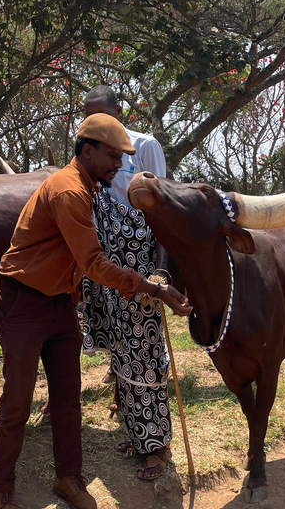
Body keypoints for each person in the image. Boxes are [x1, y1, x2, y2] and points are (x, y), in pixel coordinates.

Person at [0, 113, 191, 509]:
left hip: (58, 304)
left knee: (68, 398)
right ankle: (3, 492)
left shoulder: (90, 190)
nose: (119, 166)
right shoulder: (69, 192)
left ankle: (68, 479)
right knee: (16, 401)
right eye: (113, 157)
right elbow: (94, 263)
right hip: (23, 303)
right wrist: (155, 288)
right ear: (86, 151)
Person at [79, 85, 174, 481]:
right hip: (108, 268)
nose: (97, 126)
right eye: (89, 119)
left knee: (147, 357)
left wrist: (160, 273)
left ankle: (158, 447)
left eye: (103, 116)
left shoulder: (143, 147)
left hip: (141, 266)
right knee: (122, 357)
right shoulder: (93, 164)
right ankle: (139, 436)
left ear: (118, 113)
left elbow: (163, 209)